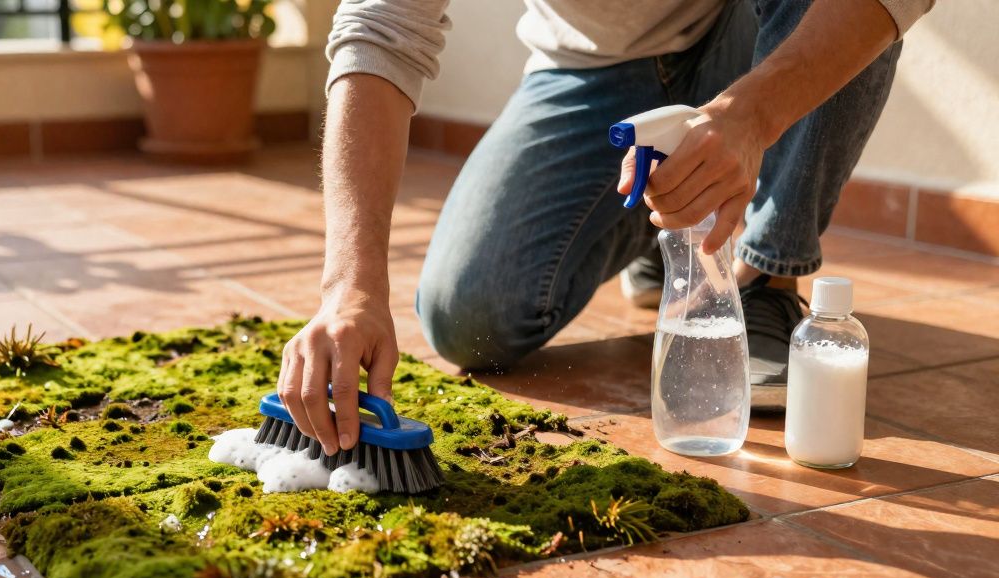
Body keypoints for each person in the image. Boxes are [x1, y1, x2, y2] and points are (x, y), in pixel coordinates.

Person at [276, 0, 932, 457]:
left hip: (766, 32)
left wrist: (752, 117)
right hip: (595, 68)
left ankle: (764, 275)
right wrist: (350, 287)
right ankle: (661, 221)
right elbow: (380, 30)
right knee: (467, 316)